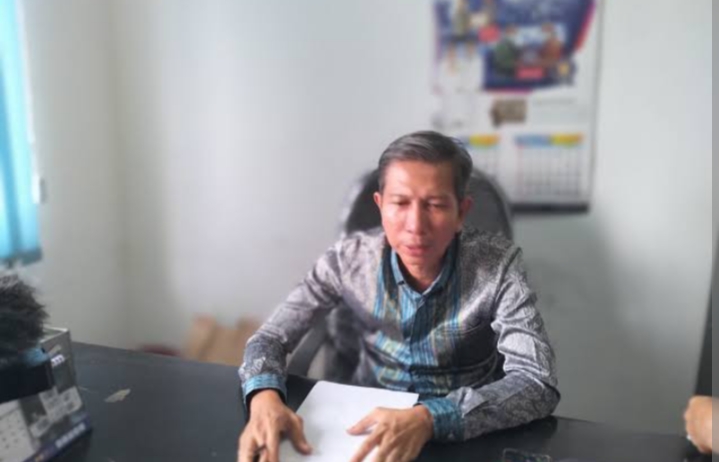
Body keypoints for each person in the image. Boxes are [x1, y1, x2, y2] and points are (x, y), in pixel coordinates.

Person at [237, 131, 560, 462]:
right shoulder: (348, 260)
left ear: (461, 213)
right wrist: (264, 398)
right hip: (364, 424)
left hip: (464, 432)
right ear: (380, 206)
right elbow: (270, 338)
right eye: (400, 203)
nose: (415, 225)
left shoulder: (498, 266)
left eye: (435, 205)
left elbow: (537, 381)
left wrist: (431, 418)